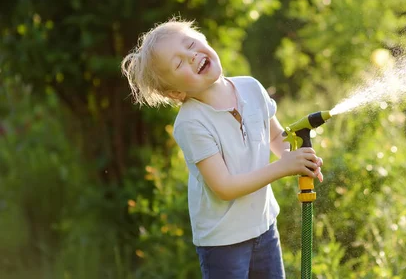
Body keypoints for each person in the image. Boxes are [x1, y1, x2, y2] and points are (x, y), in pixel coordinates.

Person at [121, 18, 324, 278]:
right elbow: (224, 187)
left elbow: (276, 137)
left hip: (263, 225)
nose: (192, 56)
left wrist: (297, 159)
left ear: (204, 40)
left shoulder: (251, 87)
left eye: (191, 44)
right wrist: (284, 167)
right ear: (175, 93)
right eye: (179, 62)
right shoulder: (192, 123)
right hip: (223, 242)